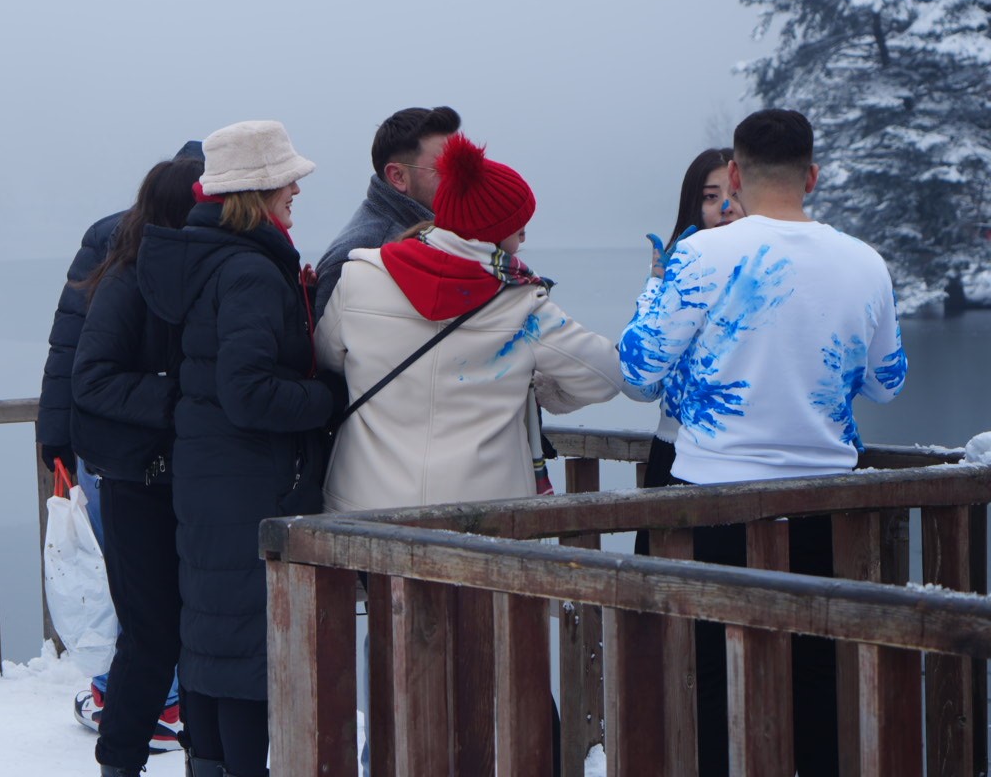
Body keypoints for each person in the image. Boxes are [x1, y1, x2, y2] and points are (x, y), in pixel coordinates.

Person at [618, 109, 907, 777]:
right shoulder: (865, 262)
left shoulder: (699, 255)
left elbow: (637, 372)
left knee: (710, 679)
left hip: (710, 502)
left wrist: (656, 286)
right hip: (828, 502)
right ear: (812, 175)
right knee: (819, 677)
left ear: (738, 176)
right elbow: (888, 384)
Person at [136, 120, 341, 777]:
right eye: (288, 182)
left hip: (208, 479)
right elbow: (249, 392)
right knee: (252, 656)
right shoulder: (250, 271)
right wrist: (330, 397)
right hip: (249, 482)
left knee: (213, 647)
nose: (296, 193)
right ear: (257, 192)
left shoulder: (207, 261)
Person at [318, 132, 623, 513]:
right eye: (518, 226)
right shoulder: (521, 303)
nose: (524, 236)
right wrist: (538, 389)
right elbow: (607, 376)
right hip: (481, 516)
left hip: (364, 506)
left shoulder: (360, 277)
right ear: (495, 232)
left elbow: (326, 359)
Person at [37, 139, 202, 734]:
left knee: (123, 579)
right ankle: (161, 702)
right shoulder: (155, 251)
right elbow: (81, 357)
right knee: (144, 582)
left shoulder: (109, 238)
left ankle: (121, 695)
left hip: (99, 447)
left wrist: (53, 435)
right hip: (132, 449)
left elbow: (64, 347)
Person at [636, 148, 742, 494]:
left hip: (749, 459)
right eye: (712, 197)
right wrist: (656, 285)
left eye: (736, 194)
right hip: (675, 450)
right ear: (693, 205)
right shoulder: (677, 273)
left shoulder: (770, 278)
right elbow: (642, 386)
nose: (726, 207)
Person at [312, 105, 462, 314]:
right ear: (398, 177)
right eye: (446, 167)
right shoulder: (354, 258)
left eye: (463, 164)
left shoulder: (442, 235)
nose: (461, 177)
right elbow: (325, 345)